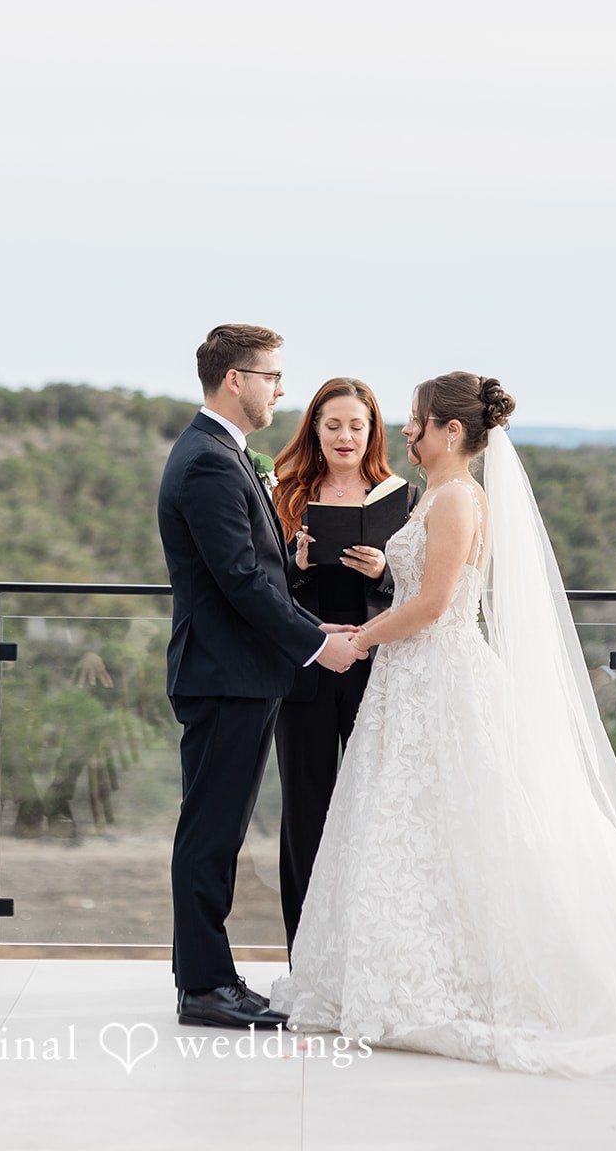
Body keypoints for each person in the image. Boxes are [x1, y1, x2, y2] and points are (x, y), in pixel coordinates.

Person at [273, 373, 616, 1075]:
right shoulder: (434, 497)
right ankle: (398, 965)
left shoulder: (459, 500)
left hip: (437, 677)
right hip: (407, 683)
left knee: (464, 823)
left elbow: (436, 604)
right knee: (407, 828)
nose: (403, 432)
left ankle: (468, 975)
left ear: (448, 431)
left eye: (414, 421)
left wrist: (358, 639)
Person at [158, 325, 362, 1031]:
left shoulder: (221, 452)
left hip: (234, 672)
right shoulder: (210, 461)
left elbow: (256, 570)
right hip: (226, 676)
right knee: (210, 835)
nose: (281, 389)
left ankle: (203, 978)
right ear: (235, 380)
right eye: (272, 376)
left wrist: (302, 586)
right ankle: (206, 987)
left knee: (213, 832)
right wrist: (315, 646)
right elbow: (239, 582)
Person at [271, 377, 420, 954]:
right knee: (304, 817)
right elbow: (263, 592)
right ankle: (303, 957)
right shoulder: (285, 494)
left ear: (372, 431)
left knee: (370, 813)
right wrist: (298, 564)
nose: (344, 436)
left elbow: (419, 591)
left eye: (356, 425)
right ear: (314, 428)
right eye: (332, 424)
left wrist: (382, 570)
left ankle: (363, 957)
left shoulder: (401, 498)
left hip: (374, 668)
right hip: (305, 671)